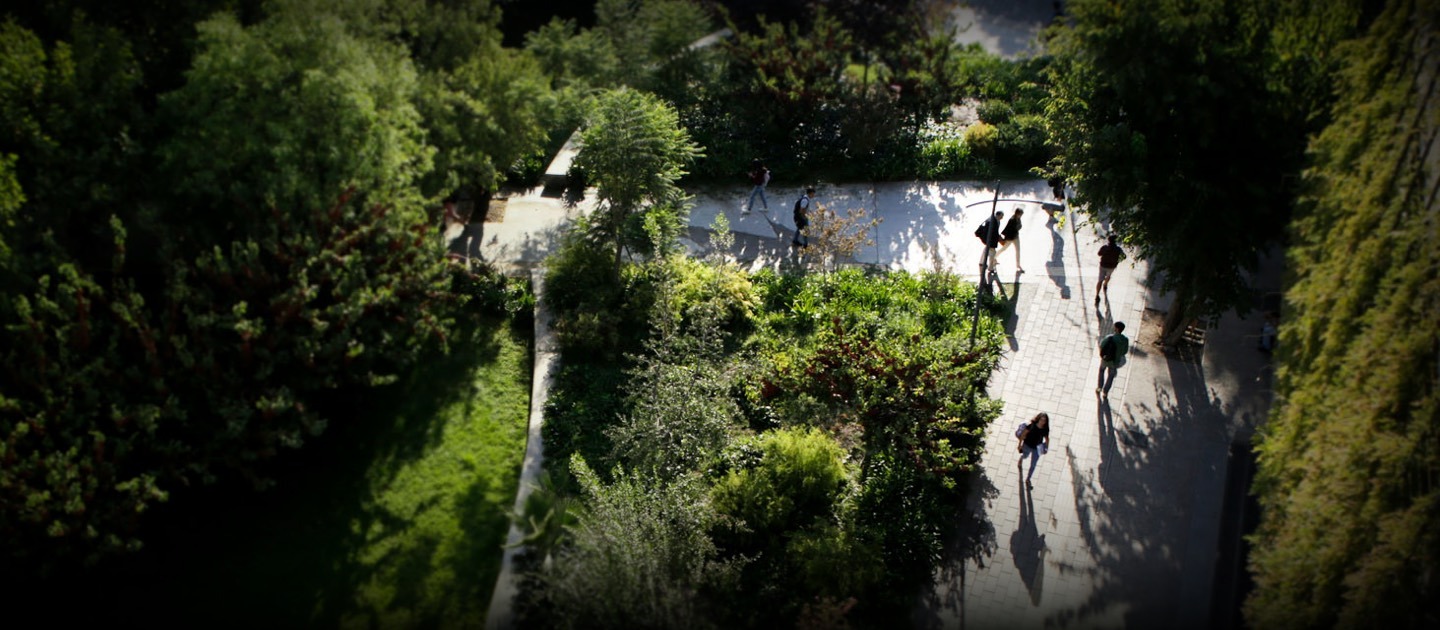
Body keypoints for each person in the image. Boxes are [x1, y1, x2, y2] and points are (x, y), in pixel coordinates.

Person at [1016, 412, 1051, 488]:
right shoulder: (1031, 425)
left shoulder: (1045, 429)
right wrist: (1019, 445)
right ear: (1038, 419)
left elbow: (1047, 439)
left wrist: (1046, 448)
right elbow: (1023, 435)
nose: (1042, 422)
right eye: (1041, 420)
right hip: (1027, 445)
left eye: (1044, 420)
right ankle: (1021, 459)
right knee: (1025, 456)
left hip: (1037, 448)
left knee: (1033, 464)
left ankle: (1028, 479)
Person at [1097, 321, 1130, 397]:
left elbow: (1101, 345)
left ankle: (1099, 387)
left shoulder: (1109, 337)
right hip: (1115, 361)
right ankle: (1105, 392)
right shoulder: (1125, 340)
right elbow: (1124, 352)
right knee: (1111, 376)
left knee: (1101, 371)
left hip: (1105, 360)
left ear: (1117, 329)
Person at [1095, 234, 1124, 306]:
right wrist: (1117, 260)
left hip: (1103, 265)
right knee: (1108, 276)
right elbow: (1124, 256)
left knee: (1100, 280)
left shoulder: (1105, 247)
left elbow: (1099, 254)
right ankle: (1105, 285)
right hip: (1111, 267)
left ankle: (1097, 295)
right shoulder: (1118, 249)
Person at [995, 207, 1025, 272]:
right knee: (1004, 249)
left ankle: (1018, 265)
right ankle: (994, 257)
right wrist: (1005, 239)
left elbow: (1019, 226)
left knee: (1018, 251)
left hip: (1016, 237)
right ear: (1017, 213)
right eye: (1020, 214)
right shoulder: (1012, 220)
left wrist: (1018, 227)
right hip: (1010, 238)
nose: (1021, 216)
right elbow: (1009, 229)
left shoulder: (1018, 218)